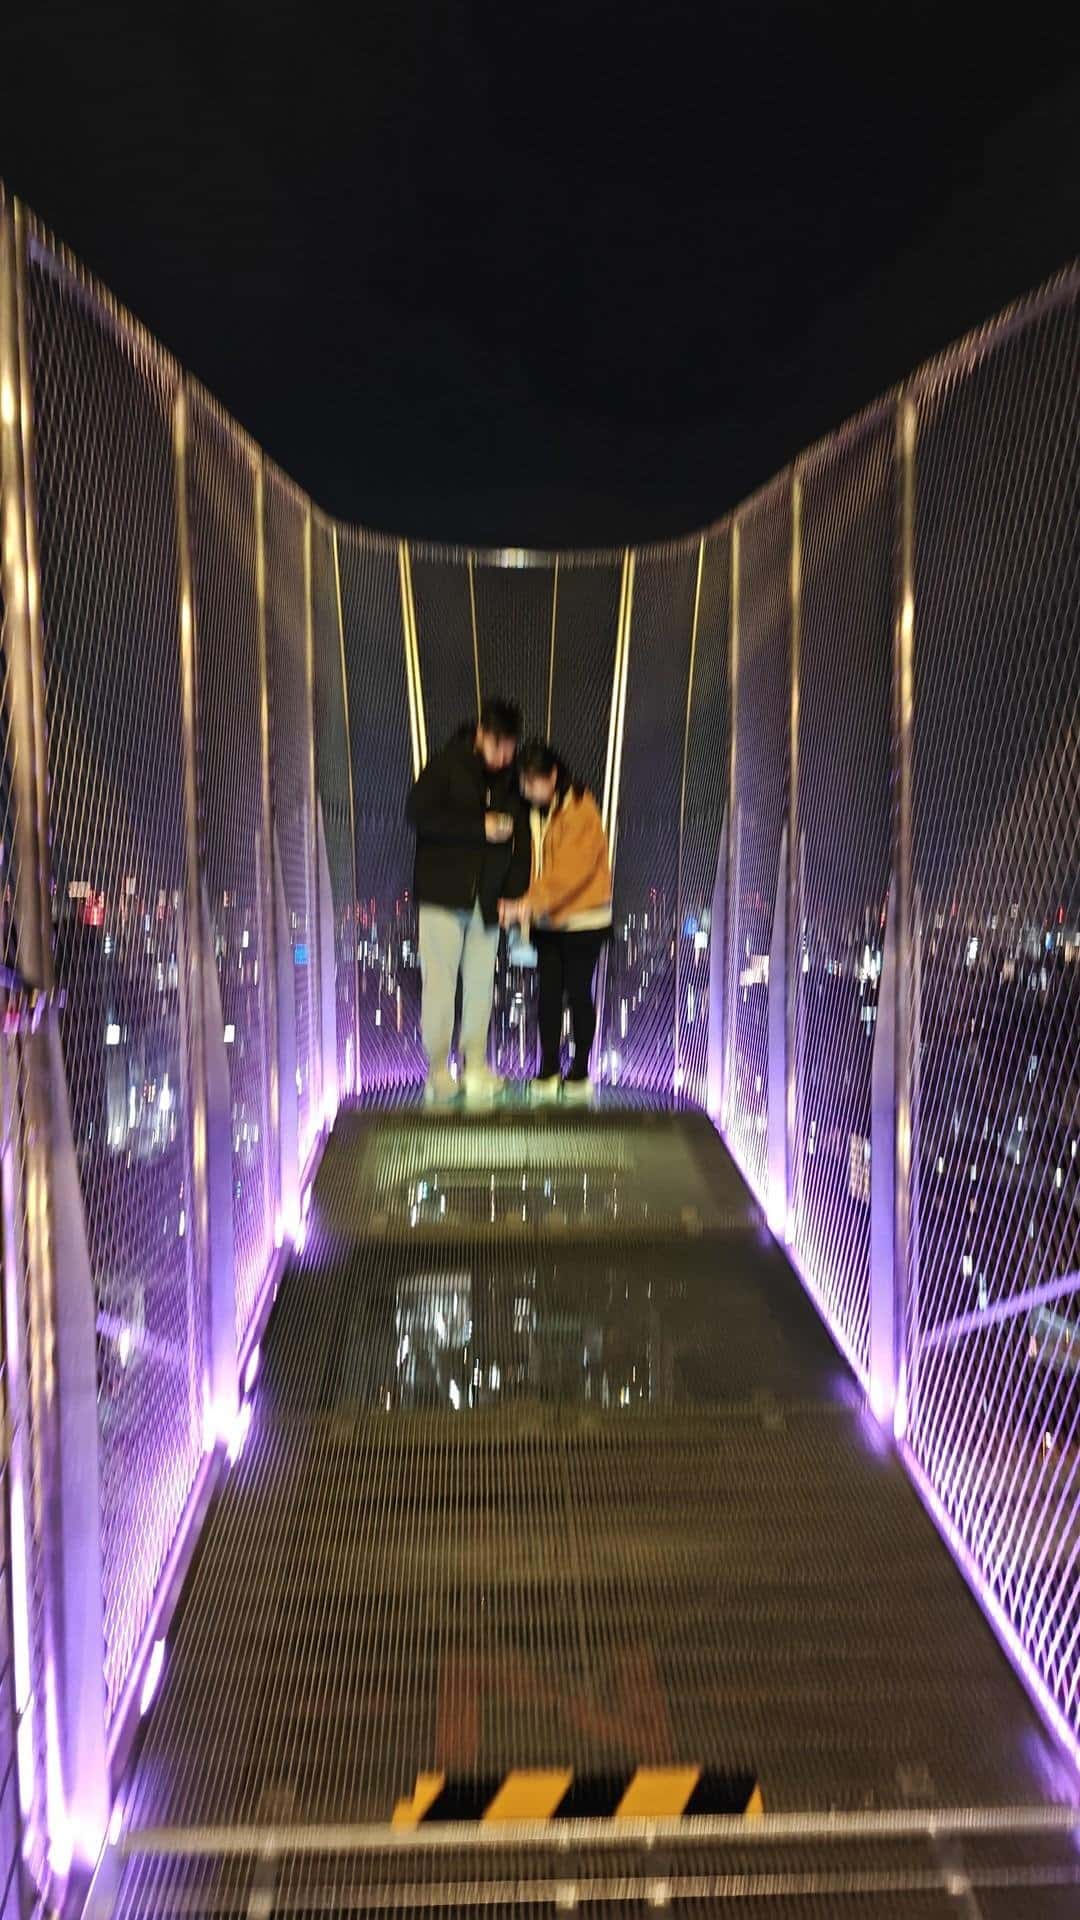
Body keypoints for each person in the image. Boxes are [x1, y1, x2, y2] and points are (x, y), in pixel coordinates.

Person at [406, 696, 530, 1104]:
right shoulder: (446, 765)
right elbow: (418, 815)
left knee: (480, 985)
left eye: (510, 748)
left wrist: (512, 895)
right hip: (442, 895)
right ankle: (438, 1068)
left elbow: (522, 842)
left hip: (487, 899)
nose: (503, 757)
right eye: (498, 746)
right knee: (440, 983)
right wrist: (479, 826)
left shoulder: (511, 780)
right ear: (481, 734)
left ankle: (475, 1063)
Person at [499, 741, 612, 1105]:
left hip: (583, 920)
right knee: (548, 995)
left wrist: (525, 905)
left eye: (533, 782)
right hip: (548, 920)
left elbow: (571, 871)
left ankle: (579, 1070)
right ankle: (548, 1068)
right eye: (523, 782)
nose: (527, 790)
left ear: (553, 776)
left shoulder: (580, 808)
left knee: (577, 992)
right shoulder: (533, 812)